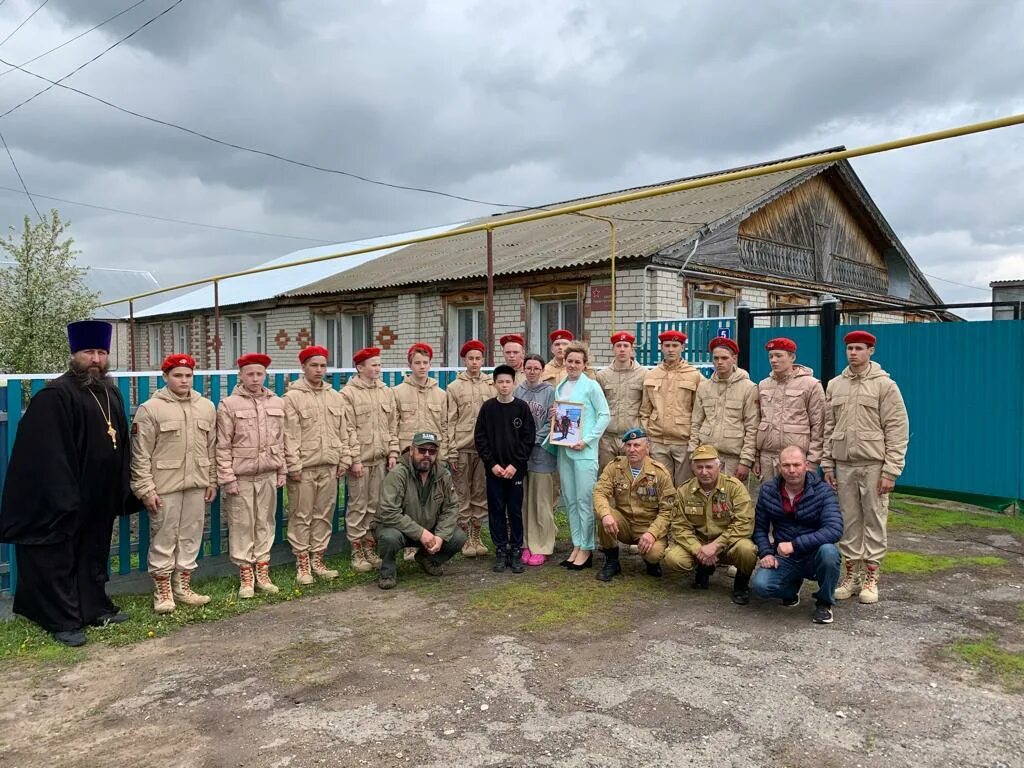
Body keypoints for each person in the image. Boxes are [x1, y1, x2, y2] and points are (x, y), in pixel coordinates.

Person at [0, 321, 140, 647]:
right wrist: (65, 496)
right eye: (89, 352)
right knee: (58, 558)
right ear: (74, 354)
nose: (96, 359)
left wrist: (120, 484)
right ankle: (60, 618)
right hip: (67, 496)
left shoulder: (110, 392)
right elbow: (45, 452)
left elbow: (119, 443)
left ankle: (95, 607)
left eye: (101, 352)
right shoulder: (55, 395)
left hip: (99, 495)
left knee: (93, 552)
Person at [822, 330, 909, 605]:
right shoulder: (835, 385)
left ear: (870, 351)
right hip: (844, 463)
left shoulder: (885, 386)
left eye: (859, 348)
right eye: (849, 349)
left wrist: (891, 471)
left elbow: (897, 428)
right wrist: (827, 463)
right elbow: (828, 427)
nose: (853, 353)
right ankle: (852, 576)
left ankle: (871, 577)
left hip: (873, 464)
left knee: (874, 519)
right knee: (849, 521)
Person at [130, 353, 217, 614]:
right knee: (164, 538)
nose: (184, 380)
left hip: (197, 483)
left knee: (190, 536)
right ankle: (163, 590)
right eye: (178, 376)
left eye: (188, 376)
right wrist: (145, 489)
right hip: (164, 486)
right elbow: (140, 454)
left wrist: (211, 479)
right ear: (165, 377)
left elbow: (211, 447)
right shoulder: (150, 409)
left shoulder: (206, 406)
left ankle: (183, 586)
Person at [216, 353, 287, 598]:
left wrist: (282, 470)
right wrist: (228, 478)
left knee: (265, 522)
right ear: (241, 376)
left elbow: (282, 439)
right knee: (242, 524)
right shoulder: (229, 405)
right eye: (250, 374)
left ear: (265, 375)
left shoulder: (276, 402)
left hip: (268, 474)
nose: (255, 379)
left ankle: (263, 570)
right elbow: (222, 445)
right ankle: (246, 573)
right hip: (242, 477)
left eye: (259, 374)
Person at [282, 345, 352, 586]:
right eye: (314, 365)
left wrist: (344, 458)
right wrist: (294, 465)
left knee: (324, 514)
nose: (319, 370)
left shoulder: (335, 396)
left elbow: (344, 430)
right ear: (303, 367)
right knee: (301, 515)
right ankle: (302, 562)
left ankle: (318, 558)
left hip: (329, 465)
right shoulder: (292, 397)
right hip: (304, 467)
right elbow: (289, 435)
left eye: (323, 365)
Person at [751, 445, 843, 624]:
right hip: (785, 557)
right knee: (760, 587)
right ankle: (792, 589)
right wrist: (766, 552)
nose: (791, 470)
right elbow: (760, 529)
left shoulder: (824, 492)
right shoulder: (768, 490)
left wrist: (795, 544)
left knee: (830, 553)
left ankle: (824, 603)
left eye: (796, 464)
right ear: (779, 467)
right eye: (786, 465)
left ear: (806, 465)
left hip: (814, 554)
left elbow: (834, 529)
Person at [662, 444, 757, 604]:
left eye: (709, 467)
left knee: (747, 550)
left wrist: (716, 545)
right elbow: (679, 526)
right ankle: (702, 568)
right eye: (699, 467)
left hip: (728, 545)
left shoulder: (734, 488)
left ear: (719, 466)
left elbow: (744, 523)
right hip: (699, 545)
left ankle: (741, 584)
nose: (704, 472)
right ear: (693, 469)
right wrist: (698, 549)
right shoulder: (684, 490)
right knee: (673, 558)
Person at [375, 432, 467, 590]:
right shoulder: (398, 473)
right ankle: (387, 571)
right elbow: (388, 512)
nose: (427, 455)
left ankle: (427, 558)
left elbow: (451, 508)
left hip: (430, 530)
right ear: (411, 450)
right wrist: (420, 533)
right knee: (389, 538)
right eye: (422, 450)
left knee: (458, 537)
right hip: (400, 530)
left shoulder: (443, 474)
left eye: (432, 452)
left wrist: (440, 536)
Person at [548, 342, 611, 570]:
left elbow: (605, 415)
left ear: (585, 365)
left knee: (584, 500)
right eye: (569, 361)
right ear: (564, 362)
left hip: (583, 451)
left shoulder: (591, 386)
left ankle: (587, 547)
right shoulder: (561, 385)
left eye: (577, 362)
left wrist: (587, 439)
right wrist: (555, 413)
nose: (573, 365)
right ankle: (576, 544)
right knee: (571, 500)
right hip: (564, 450)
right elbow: (561, 415)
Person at [341, 346, 399, 573]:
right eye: (373, 365)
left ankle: (369, 545)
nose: (377, 369)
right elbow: (347, 430)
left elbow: (392, 425)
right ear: (360, 368)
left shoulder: (386, 391)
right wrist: (354, 459)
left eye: (379, 365)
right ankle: (356, 549)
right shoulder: (349, 394)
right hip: (361, 461)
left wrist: (393, 452)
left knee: (375, 506)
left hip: (381, 459)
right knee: (358, 506)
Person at [474, 365, 535, 573]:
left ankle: (516, 549)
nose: (504, 385)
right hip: (495, 471)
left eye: (508, 381)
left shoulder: (522, 408)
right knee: (497, 510)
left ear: (514, 383)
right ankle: (500, 549)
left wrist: (514, 465)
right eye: (500, 381)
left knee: (515, 510)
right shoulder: (488, 408)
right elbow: (480, 439)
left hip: (515, 470)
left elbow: (528, 439)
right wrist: (492, 464)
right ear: (494, 384)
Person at [592, 428, 673, 581]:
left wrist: (652, 533)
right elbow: (600, 492)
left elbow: (667, 511)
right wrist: (605, 515)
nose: (632, 449)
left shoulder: (660, 473)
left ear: (647, 448)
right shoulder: (614, 467)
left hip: (648, 527)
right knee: (603, 513)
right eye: (628, 445)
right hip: (623, 524)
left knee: (654, 554)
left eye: (637, 445)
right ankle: (612, 562)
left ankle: (651, 563)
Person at [393, 342, 448, 562]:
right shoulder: (397, 392)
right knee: (408, 499)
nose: (422, 367)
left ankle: (428, 542)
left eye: (425, 363)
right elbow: (393, 424)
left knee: (430, 499)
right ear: (410, 364)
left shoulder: (440, 393)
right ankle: (410, 542)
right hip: (408, 456)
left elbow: (444, 425)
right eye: (417, 363)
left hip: (431, 456)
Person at [446, 339, 495, 557]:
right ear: (464, 360)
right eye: (470, 359)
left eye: (478, 358)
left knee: (480, 492)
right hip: (462, 447)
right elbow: (449, 421)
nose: (474, 362)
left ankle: (477, 534)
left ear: (483, 360)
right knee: (462, 492)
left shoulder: (491, 385)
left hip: (484, 449)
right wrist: (451, 451)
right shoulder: (454, 387)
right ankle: (465, 536)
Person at [755, 337, 825, 484]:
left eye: (779, 356)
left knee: (799, 504)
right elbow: (757, 421)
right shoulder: (763, 385)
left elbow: (819, 425)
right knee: (770, 502)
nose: (773, 360)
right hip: (768, 458)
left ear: (792, 357)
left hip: (797, 460)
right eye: (771, 356)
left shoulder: (810, 385)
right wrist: (756, 458)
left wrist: (812, 461)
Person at [689, 337, 759, 483]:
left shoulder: (748, 388)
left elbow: (752, 428)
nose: (719, 362)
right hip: (706, 456)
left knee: (731, 501)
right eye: (716, 358)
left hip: (733, 459)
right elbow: (696, 423)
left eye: (724, 358)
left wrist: (745, 461)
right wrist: (693, 454)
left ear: (734, 358)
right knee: (704, 500)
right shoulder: (704, 387)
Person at [640, 329, 704, 486]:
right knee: (660, 486)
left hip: (683, 441)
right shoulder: (651, 374)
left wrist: (695, 442)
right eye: (667, 345)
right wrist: (646, 439)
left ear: (682, 347)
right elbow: (644, 411)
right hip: (657, 441)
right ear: (661, 348)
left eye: (675, 345)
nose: (670, 349)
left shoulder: (694, 375)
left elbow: (699, 411)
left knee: (684, 486)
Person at [514, 354, 557, 566]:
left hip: (541, 453)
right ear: (523, 369)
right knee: (523, 501)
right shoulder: (518, 390)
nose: (532, 371)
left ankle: (543, 545)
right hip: (521, 455)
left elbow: (552, 421)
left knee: (541, 502)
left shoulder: (550, 392)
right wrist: (520, 445)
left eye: (536, 368)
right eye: (528, 368)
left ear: (542, 370)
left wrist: (531, 441)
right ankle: (525, 544)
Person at [596, 331, 647, 470]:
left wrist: (643, 430)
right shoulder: (602, 375)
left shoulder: (644, 374)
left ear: (632, 349)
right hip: (608, 438)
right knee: (606, 476)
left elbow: (647, 406)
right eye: (618, 346)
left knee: (633, 477)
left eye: (626, 345)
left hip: (632, 438)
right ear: (613, 349)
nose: (622, 349)